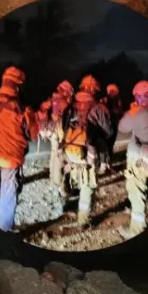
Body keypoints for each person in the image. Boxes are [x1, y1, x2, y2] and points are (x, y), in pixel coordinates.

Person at [0, 66, 38, 232]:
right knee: (8, 194)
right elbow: (33, 134)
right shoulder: (24, 110)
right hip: (10, 159)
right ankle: (4, 231)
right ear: (18, 86)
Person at [118, 80, 148, 238]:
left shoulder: (139, 111)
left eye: (136, 96)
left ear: (139, 96)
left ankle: (136, 229)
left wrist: (132, 110)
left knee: (136, 192)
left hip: (138, 157)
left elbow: (122, 127)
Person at [60, 82, 113, 225]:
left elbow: (63, 127)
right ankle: (83, 220)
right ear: (95, 90)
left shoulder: (70, 107)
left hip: (70, 150)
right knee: (87, 186)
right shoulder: (98, 108)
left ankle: (64, 196)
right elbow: (108, 132)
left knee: (70, 173)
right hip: (88, 153)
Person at [71, 75, 115, 175]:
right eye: (95, 90)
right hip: (89, 146)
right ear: (92, 90)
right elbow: (108, 131)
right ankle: (102, 167)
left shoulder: (72, 105)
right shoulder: (98, 107)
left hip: (70, 144)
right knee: (102, 145)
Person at [42, 92, 70, 212]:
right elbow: (66, 121)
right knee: (60, 162)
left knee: (53, 158)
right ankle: (59, 189)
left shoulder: (52, 100)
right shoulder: (63, 102)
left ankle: (52, 184)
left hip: (51, 133)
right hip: (59, 135)